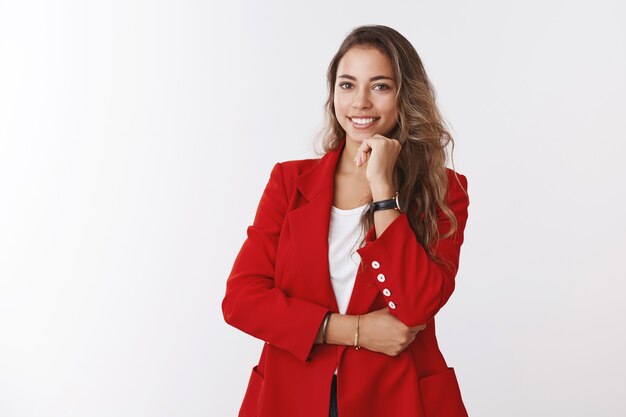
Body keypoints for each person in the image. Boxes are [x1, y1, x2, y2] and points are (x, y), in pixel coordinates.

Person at [222, 24, 471, 417]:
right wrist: (354, 331)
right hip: (290, 397)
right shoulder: (289, 182)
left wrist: (384, 191)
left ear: (406, 94)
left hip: (397, 399)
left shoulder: (444, 190)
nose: (360, 103)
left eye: (380, 86)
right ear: (333, 93)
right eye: (347, 85)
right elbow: (241, 301)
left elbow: (417, 306)